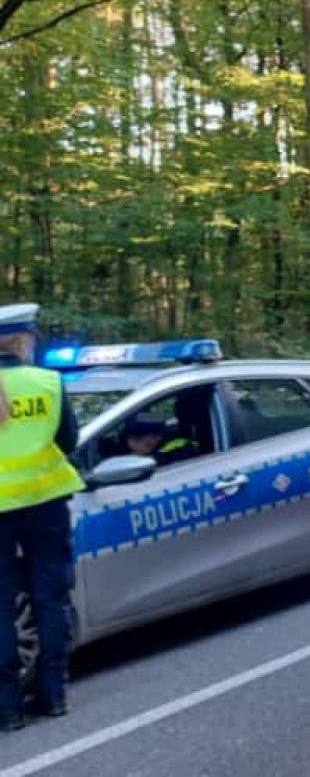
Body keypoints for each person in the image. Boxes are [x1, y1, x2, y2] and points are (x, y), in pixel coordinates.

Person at [0, 303, 84, 730]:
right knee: (50, 598)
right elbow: (69, 440)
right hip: (45, 505)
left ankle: (7, 709)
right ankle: (53, 695)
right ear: (21, 341)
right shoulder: (49, 382)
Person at [122, 414, 198, 467]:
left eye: (136, 439)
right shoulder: (151, 451)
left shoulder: (179, 451)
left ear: (156, 436)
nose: (133, 446)